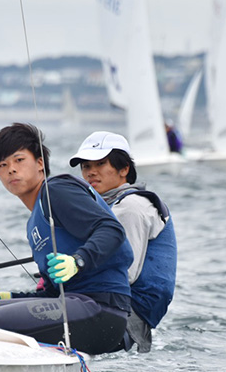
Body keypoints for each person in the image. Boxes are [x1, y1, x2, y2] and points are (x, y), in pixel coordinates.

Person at [0, 123, 134, 355]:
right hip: (75, 306)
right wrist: (5, 297)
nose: (11, 169)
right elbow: (52, 294)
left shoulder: (56, 190)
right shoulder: (34, 222)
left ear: (40, 163)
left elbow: (112, 230)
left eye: (19, 160)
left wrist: (77, 261)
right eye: (3, 165)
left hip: (102, 312)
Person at [69, 131, 177, 353]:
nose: (91, 172)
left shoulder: (131, 207)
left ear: (124, 169)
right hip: (114, 306)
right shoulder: (109, 205)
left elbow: (125, 273)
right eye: (86, 166)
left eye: (100, 164)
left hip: (127, 316)